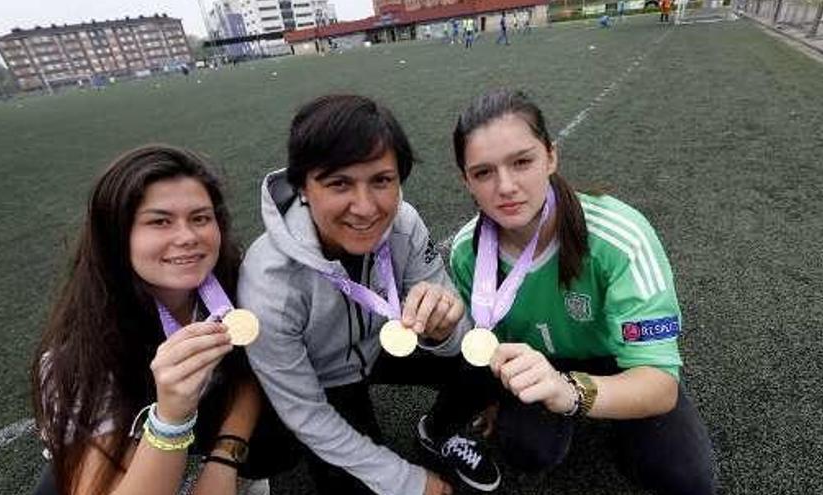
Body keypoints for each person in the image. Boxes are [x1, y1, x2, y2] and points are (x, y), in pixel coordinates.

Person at [438, 89, 717, 494]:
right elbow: (490, 343)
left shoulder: (619, 237)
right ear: (467, 181)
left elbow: (659, 382)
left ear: (551, 156)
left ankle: (618, 419)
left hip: (621, 362)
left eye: (522, 162)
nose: (506, 186)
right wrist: (502, 392)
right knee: (526, 450)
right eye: (483, 172)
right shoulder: (468, 251)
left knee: (686, 480)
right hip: (536, 363)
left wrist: (570, 392)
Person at [238, 94, 500, 495]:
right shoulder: (268, 281)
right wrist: (407, 480)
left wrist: (445, 330)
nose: (364, 208)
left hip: (382, 345)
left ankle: (437, 432)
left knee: (489, 358)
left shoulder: (404, 223)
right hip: (325, 381)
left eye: (381, 180)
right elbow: (306, 412)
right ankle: (268, 472)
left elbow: (461, 335)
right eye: (339, 183)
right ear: (302, 186)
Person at [31, 145, 275, 495]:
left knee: (278, 430)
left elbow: (249, 371)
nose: (188, 237)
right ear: (116, 235)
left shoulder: (239, 281)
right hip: (123, 440)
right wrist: (170, 418)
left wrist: (224, 462)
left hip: (205, 417)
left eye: (200, 218)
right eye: (160, 221)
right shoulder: (76, 356)